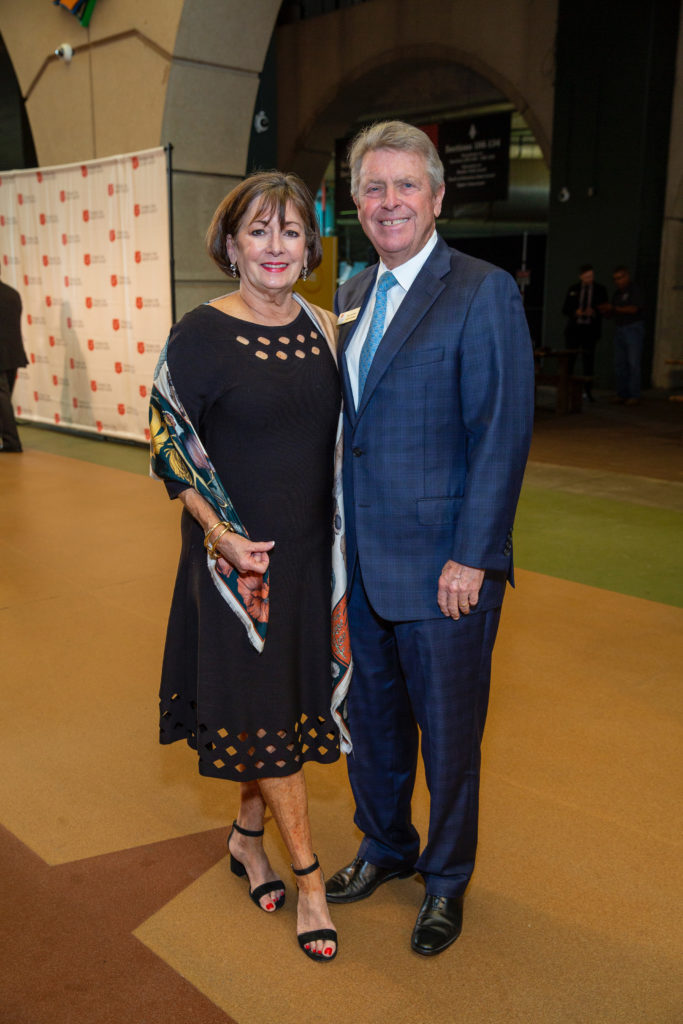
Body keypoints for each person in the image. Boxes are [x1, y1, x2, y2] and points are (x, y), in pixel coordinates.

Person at [325, 121, 535, 956]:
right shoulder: (347, 289)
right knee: (371, 726)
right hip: (362, 564)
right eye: (372, 187)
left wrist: (473, 555)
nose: (388, 201)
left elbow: (501, 431)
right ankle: (383, 847)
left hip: (445, 570)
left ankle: (445, 881)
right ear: (356, 203)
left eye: (404, 185)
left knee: (448, 737)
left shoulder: (481, 290)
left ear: (437, 197)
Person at [149, 171, 351, 963]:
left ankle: (244, 837)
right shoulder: (200, 333)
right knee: (269, 722)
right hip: (240, 567)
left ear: (309, 247)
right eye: (259, 231)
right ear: (230, 244)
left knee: (276, 712)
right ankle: (309, 882)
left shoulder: (326, 326)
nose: (276, 247)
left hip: (311, 562)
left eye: (291, 232)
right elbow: (170, 440)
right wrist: (218, 534)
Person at [561, 263, 608, 401]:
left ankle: (588, 391)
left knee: (589, 361)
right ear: (581, 276)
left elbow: (605, 309)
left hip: (590, 330)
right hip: (574, 330)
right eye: (587, 276)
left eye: (591, 276)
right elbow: (565, 309)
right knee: (570, 360)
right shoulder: (573, 289)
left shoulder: (600, 290)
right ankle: (566, 390)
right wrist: (577, 312)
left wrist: (593, 312)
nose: (589, 279)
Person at [606, 266, 645, 405]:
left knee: (633, 363)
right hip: (619, 329)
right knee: (619, 363)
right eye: (615, 279)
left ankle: (634, 394)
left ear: (627, 276)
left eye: (620, 277)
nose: (618, 281)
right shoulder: (617, 294)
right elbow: (613, 312)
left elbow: (634, 308)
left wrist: (615, 309)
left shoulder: (635, 290)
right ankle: (622, 393)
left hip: (633, 328)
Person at [0, 272, 28, 453]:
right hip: (14, 354)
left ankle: (12, 442)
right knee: (4, 399)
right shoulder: (13, 293)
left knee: (2, 401)